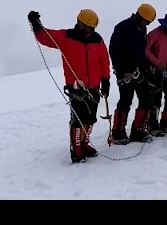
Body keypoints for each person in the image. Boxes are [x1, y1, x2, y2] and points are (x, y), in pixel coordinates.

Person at [27, 9, 111, 164]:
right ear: (80, 24)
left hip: (94, 86)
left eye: (93, 28)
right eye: (89, 28)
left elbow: (103, 60)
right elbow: (46, 37)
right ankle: (76, 148)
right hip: (76, 88)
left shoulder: (97, 39)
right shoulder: (67, 37)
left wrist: (105, 80)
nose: (91, 31)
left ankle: (85, 143)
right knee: (78, 119)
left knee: (90, 118)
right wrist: (36, 25)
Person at [108, 4, 157, 144]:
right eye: (146, 21)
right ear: (139, 16)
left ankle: (138, 130)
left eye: (149, 22)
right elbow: (114, 51)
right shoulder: (122, 27)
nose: (147, 23)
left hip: (140, 70)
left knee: (146, 99)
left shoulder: (141, 28)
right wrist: (123, 70)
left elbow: (140, 50)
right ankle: (118, 132)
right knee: (125, 100)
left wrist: (147, 66)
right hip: (125, 72)